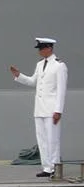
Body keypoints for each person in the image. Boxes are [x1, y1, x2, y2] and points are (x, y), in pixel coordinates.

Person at [10, 37, 68, 178]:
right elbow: (33, 82)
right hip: (40, 109)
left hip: (52, 109)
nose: (40, 52)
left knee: (52, 139)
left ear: (49, 48)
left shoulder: (59, 66)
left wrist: (58, 110)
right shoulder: (40, 64)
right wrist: (19, 76)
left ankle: (55, 167)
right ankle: (47, 167)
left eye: (41, 49)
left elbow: (61, 90)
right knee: (42, 139)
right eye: (39, 49)